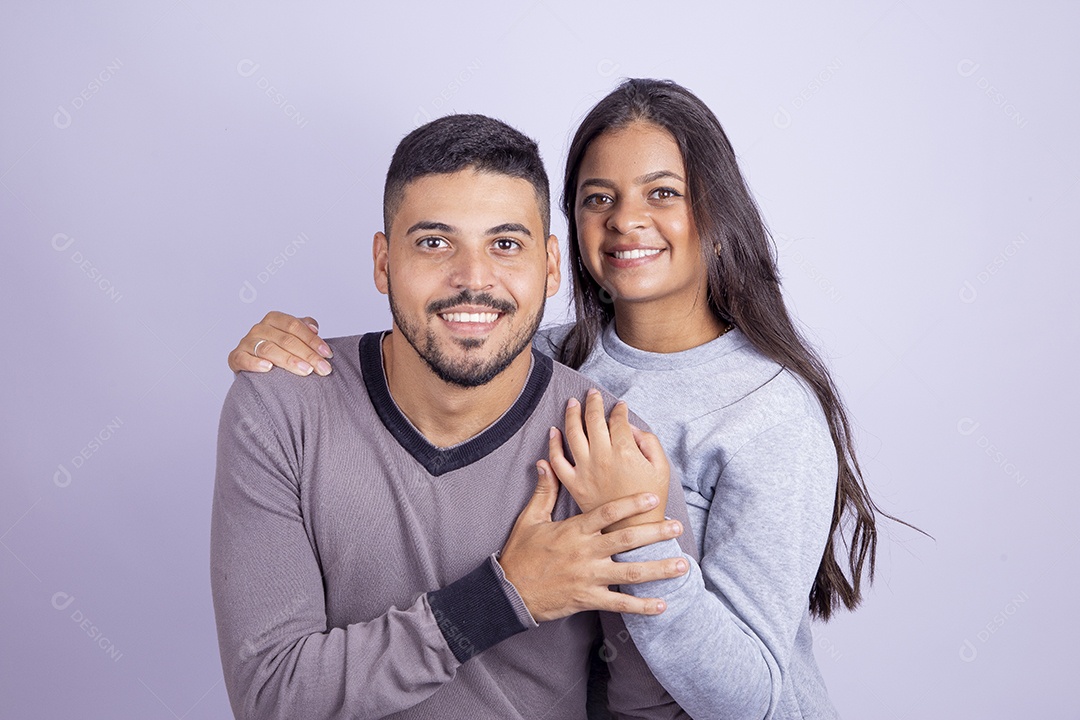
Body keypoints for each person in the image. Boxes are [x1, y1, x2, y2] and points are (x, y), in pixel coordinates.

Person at [230, 79, 892, 719]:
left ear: (716, 213)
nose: (627, 220)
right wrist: (280, 350)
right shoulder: (542, 356)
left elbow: (752, 699)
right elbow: (464, 333)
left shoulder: (766, 413)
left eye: (663, 193)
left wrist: (633, 542)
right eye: (598, 199)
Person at [211, 112, 697, 719]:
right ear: (384, 261)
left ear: (550, 266)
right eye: (435, 243)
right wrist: (503, 597)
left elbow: (645, 712)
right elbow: (272, 697)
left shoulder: (607, 451)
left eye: (505, 244)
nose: (472, 279)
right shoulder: (282, 407)